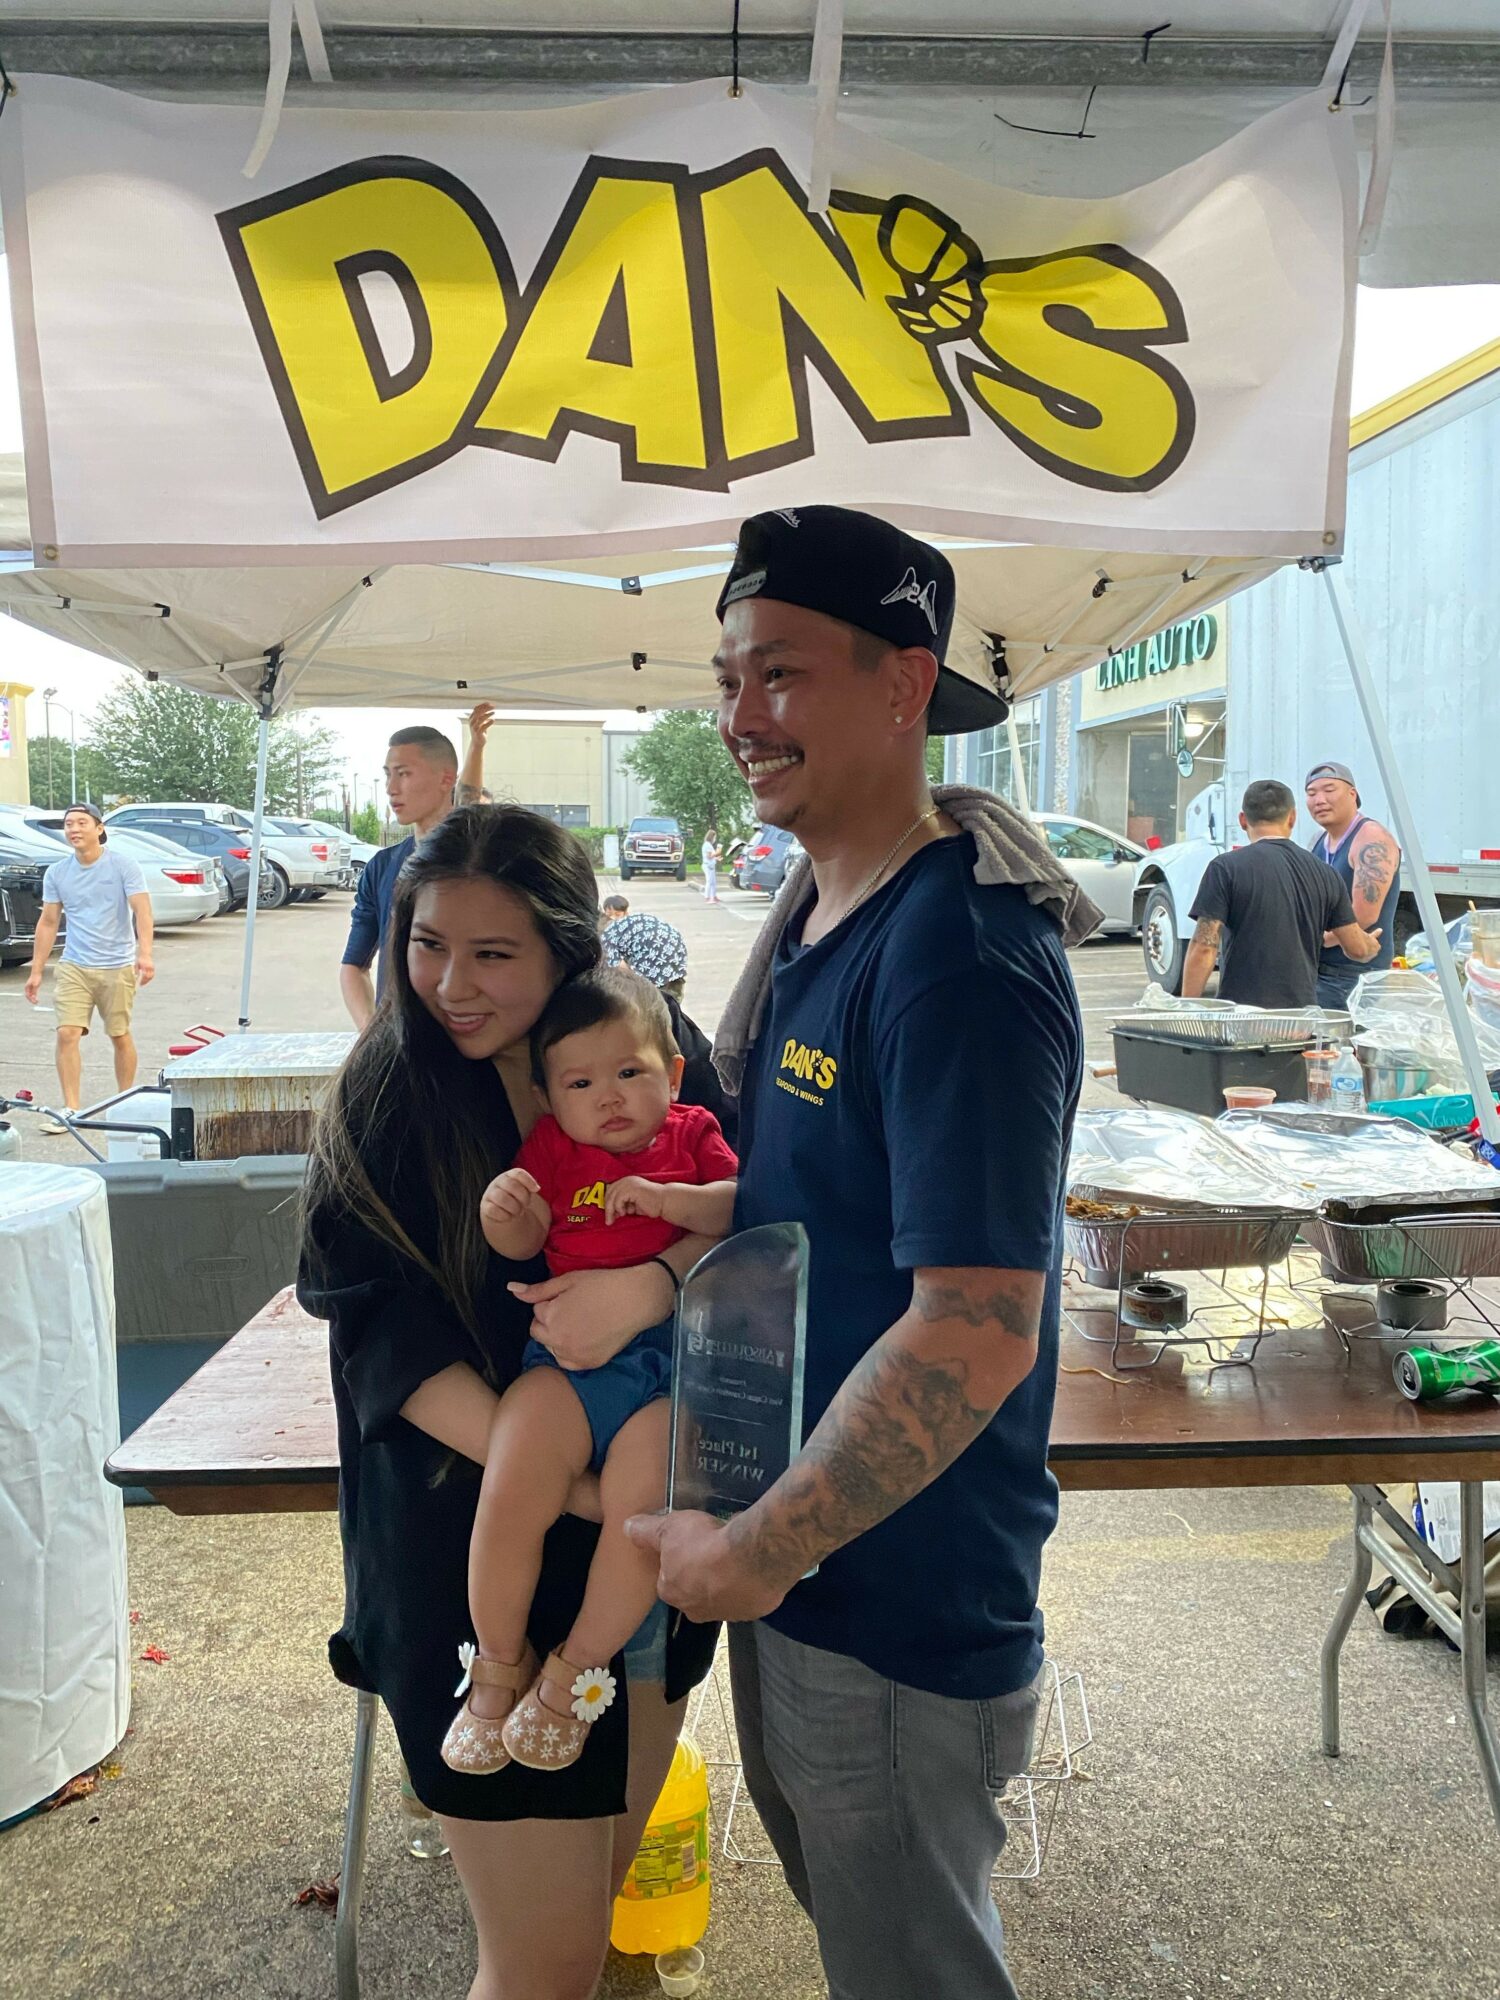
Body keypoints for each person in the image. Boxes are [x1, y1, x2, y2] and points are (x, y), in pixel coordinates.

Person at [627, 505, 1086, 2000]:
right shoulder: (825, 912)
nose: (738, 717)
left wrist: (757, 1549)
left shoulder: (959, 953)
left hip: (892, 1593)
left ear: (904, 684)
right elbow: (830, 1202)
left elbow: (975, 1327)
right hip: (804, 1560)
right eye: (726, 679)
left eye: (779, 672)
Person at [299, 805, 721, 2000]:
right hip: (472, 1556)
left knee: (593, 1912)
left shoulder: (653, 1045)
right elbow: (383, 1337)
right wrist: (563, 1479)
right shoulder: (388, 1094)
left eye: (493, 953)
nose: (450, 984)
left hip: (643, 1560)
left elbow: (761, 1217)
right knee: (542, 1964)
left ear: (570, 944)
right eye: (428, 944)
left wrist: (651, 1283)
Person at [447, 967, 736, 1776]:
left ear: (672, 1074)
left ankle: (573, 1673)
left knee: (643, 1512)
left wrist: (668, 1202)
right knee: (512, 1477)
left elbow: (740, 1207)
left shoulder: (693, 1133)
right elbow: (523, 1240)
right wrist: (506, 1217)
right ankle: (497, 1666)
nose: (608, 1096)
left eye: (630, 1072)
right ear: (548, 1098)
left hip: (672, 1373)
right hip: (566, 1366)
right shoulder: (553, 1150)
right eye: (580, 1083)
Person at [339, 704, 493, 1030]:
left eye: (404, 773)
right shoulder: (381, 868)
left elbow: (468, 809)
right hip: (399, 1040)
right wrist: (371, 1035)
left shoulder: (474, 860)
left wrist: (476, 747)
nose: (391, 787)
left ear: (446, 779)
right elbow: (353, 966)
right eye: (388, 774)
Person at [1184, 779, 1381, 1007]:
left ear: (1243, 820)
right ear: (1292, 818)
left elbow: (1204, 947)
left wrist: (1185, 1009)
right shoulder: (1326, 873)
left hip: (1242, 1017)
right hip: (1300, 1017)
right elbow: (1357, 949)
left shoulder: (1225, 868)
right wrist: (1369, 945)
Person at [24, 803, 155, 1133]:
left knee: (119, 1034)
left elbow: (142, 911)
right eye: (69, 824)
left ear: (99, 828)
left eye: (82, 823)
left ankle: (124, 1102)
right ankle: (71, 1109)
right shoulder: (58, 872)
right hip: (74, 964)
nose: (74, 829)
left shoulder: (123, 865)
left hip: (117, 965)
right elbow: (48, 921)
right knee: (67, 1033)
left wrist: (145, 954)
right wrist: (36, 970)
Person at [1303, 760, 1401, 1008]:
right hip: (1318, 969)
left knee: (1342, 1035)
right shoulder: (1318, 840)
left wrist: (1317, 940)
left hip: (1353, 974)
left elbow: (1364, 916)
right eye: (1311, 794)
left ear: (1352, 794)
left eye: (1329, 790)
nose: (1319, 800)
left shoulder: (1371, 838)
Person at [598, 893, 689, 1000]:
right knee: (671, 994)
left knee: (645, 995)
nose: (613, 918)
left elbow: (618, 966)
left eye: (617, 914)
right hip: (675, 951)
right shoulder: (636, 920)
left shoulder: (607, 934)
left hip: (653, 955)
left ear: (626, 913)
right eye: (609, 915)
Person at [700, 825, 721, 902]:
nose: (715, 839)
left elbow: (710, 856)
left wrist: (716, 858)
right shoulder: (707, 845)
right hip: (708, 866)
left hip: (710, 865)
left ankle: (714, 896)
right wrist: (717, 853)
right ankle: (707, 897)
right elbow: (709, 856)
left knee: (713, 882)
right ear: (711, 837)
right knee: (709, 881)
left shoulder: (708, 845)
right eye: (714, 837)